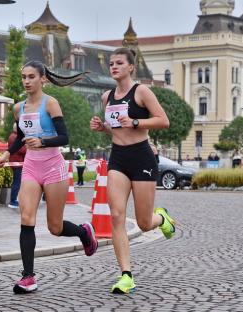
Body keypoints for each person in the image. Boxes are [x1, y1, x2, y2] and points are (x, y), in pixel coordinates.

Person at [0, 60, 98, 294]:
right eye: (23, 77)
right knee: (27, 217)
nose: (26, 81)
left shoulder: (51, 104)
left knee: (55, 227)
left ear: (42, 79)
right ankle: (28, 277)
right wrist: (6, 153)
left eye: (31, 77)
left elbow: (64, 137)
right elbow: (20, 136)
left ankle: (83, 232)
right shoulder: (18, 108)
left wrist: (42, 141)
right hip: (31, 165)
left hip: (53, 166)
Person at [90, 48, 174, 294]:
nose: (113, 67)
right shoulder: (107, 97)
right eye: (111, 63)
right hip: (117, 158)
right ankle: (126, 275)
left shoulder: (142, 92)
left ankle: (163, 218)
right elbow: (116, 128)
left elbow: (163, 120)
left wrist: (137, 122)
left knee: (144, 223)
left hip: (141, 157)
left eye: (119, 63)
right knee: (116, 215)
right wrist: (103, 127)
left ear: (130, 67)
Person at [7, 125, 26, 209]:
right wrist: (28, 147)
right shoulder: (15, 137)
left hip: (16, 161)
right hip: (17, 162)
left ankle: (14, 200)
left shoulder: (13, 136)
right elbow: (21, 149)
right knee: (17, 182)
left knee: (17, 181)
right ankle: (13, 200)